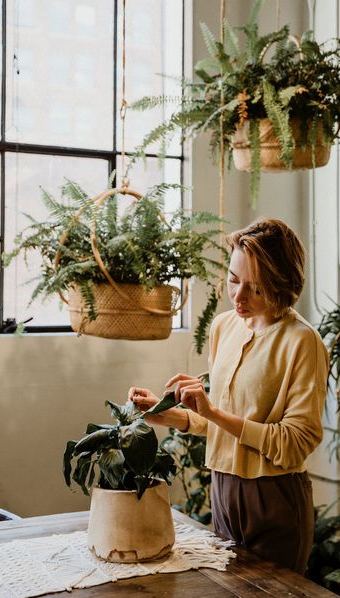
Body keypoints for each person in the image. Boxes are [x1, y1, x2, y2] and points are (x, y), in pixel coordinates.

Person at [129, 218, 329, 575]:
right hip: (222, 489)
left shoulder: (302, 342)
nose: (238, 297)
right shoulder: (224, 327)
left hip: (276, 499)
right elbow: (217, 423)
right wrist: (167, 416)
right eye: (234, 281)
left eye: (255, 289)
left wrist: (215, 413)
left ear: (282, 286)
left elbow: (297, 442)